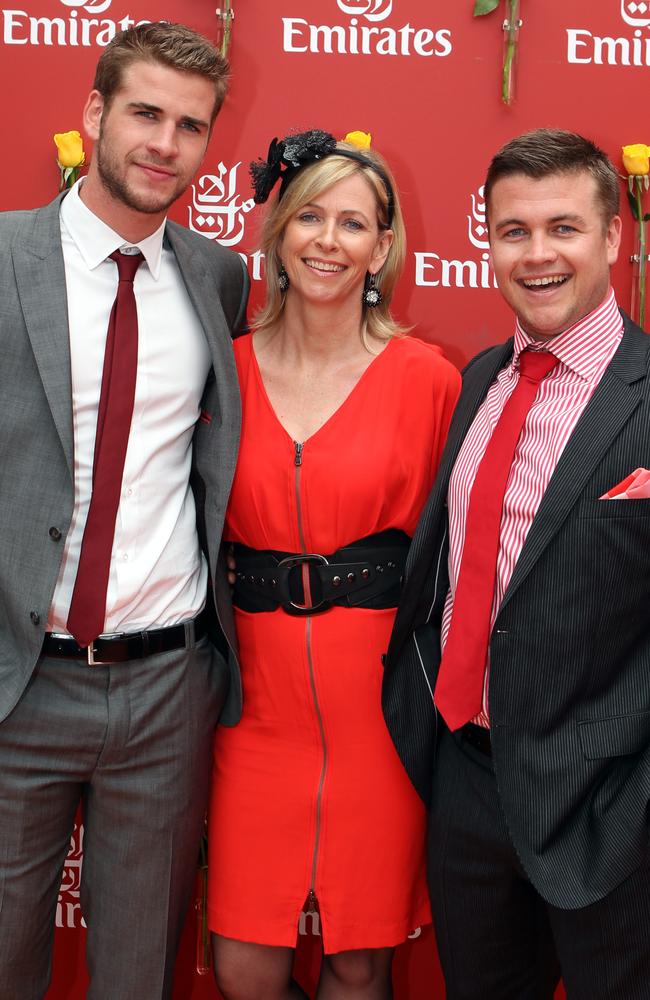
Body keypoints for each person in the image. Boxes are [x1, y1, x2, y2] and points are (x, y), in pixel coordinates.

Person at [0, 21, 248, 1000]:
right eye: (144, 112)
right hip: (18, 683)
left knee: (138, 972)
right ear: (95, 112)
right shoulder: (6, 255)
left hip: (165, 691)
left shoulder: (215, 275)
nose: (165, 143)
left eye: (189, 125)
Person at [383, 127, 650, 999]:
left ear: (615, 238)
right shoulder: (481, 382)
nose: (538, 255)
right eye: (514, 231)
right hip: (466, 779)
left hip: (611, 803)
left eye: (565, 228)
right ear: (488, 241)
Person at [207, 129, 461, 1000]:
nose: (328, 240)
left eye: (354, 223)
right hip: (255, 709)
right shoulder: (224, 371)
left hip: (380, 708)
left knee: (361, 963)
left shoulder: (429, 379)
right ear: (277, 232)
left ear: (383, 246)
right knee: (243, 965)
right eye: (309, 215)